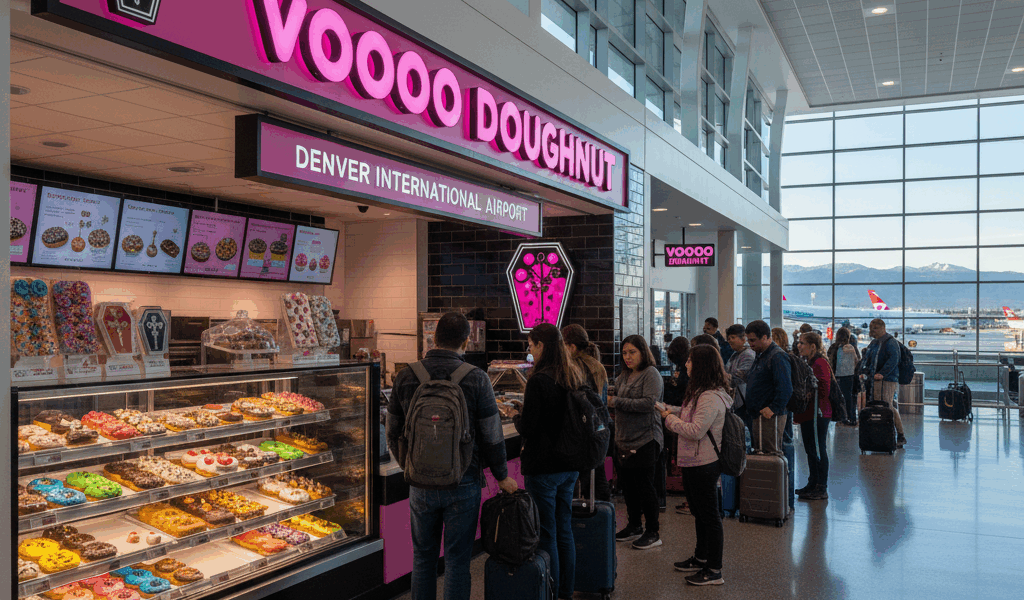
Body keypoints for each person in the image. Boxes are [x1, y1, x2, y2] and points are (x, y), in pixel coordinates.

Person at [386, 312, 518, 600]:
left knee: (423, 559)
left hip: (420, 484)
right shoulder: (477, 379)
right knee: (458, 562)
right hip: (464, 481)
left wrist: (410, 463)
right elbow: (492, 434)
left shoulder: (407, 375)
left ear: (433, 338)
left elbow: (392, 430)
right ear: (466, 342)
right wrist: (501, 475)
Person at [515, 323, 585, 599]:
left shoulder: (539, 380)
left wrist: (516, 417)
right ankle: (566, 590)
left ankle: (552, 592)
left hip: (543, 467)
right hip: (569, 465)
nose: (529, 351)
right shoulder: (572, 373)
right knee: (564, 529)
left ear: (542, 345)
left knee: (547, 533)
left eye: (531, 345)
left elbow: (530, 427)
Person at [660, 344, 732, 586]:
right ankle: (702, 557)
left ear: (701, 365)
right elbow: (693, 416)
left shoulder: (710, 396)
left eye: (690, 361)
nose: (686, 364)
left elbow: (695, 429)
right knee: (699, 513)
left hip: (705, 462)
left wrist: (669, 419)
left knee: (709, 516)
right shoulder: (701, 392)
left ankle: (714, 570)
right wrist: (673, 410)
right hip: (694, 461)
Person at [610, 334, 664, 549]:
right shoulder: (624, 375)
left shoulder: (651, 374)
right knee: (629, 487)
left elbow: (649, 403)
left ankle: (653, 531)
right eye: (624, 353)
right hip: (623, 439)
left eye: (632, 352)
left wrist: (616, 401)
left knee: (645, 487)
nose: (628, 357)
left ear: (643, 352)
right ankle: (634, 525)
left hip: (645, 439)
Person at [743, 320, 795, 513]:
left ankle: (779, 503)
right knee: (763, 455)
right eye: (748, 340)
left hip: (770, 417)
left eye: (753, 340)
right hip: (759, 415)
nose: (750, 344)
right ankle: (768, 500)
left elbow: (785, 388)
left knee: (772, 456)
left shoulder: (777, 356)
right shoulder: (762, 354)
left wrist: (773, 408)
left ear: (766, 337)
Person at [562, 323, 611, 502]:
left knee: (573, 482)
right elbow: (602, 401)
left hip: (579, 433)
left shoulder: (571, 368)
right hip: (599, 430)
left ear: (572, 347)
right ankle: (604, 522)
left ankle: (576, 522)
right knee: (597, 479)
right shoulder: (598, 366)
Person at [795, 332, 832, 501]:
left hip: (818, 413)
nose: (799, 346)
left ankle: (821, 487)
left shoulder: (820, 362)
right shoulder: (808, 362)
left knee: (818, 449)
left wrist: (808, 392)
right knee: (810, 450)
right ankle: (812, 483)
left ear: (813, 346)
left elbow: (824, 388)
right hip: (808, 413)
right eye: (799, 342)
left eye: (802, 343)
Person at [862, 319, 907, 449]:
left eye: (875, 328)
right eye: (871, 328)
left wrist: (883, 373)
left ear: (883, 328)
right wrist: (864, 371)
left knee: (887, 406)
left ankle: (899, 434)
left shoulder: (890, 342)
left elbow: (894, 359)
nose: (872, 330)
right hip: (875, 379)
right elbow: (868, 359)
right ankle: (881, 434)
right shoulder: (875, 342)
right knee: (880, 406)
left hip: (887, 380)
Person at [827, 327, 861, 426]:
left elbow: (829, 361)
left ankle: (841, 418)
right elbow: (857, 361)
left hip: (837, 376)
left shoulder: (833, 347)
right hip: (850, 376)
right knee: (850, 398)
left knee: (839, 398)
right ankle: (851, 418)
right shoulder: (852, 347)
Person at [723, 324, 755, 421]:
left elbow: (739, 378)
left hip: (743, 401)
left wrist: (724, 377)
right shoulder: (736, 353)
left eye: (733, 337)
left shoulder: (748, 355)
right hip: (736, 400)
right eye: (728, 338)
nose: (730, 341)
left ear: (743, 338)